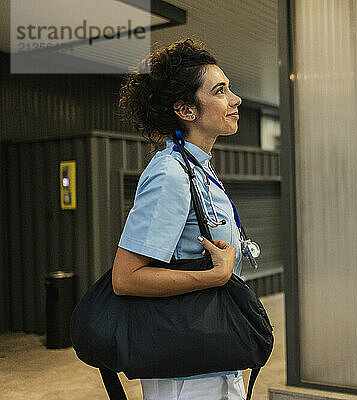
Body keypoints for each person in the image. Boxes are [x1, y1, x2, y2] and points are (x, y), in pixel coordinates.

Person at [114, 38, 246, 399]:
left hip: (212, 355)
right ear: (186, 111)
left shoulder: (198, 169)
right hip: (187, 374)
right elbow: (126, 278)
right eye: (220, 91)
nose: (235, 100)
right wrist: (215, 275)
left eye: (230, 89)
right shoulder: (170, 173)